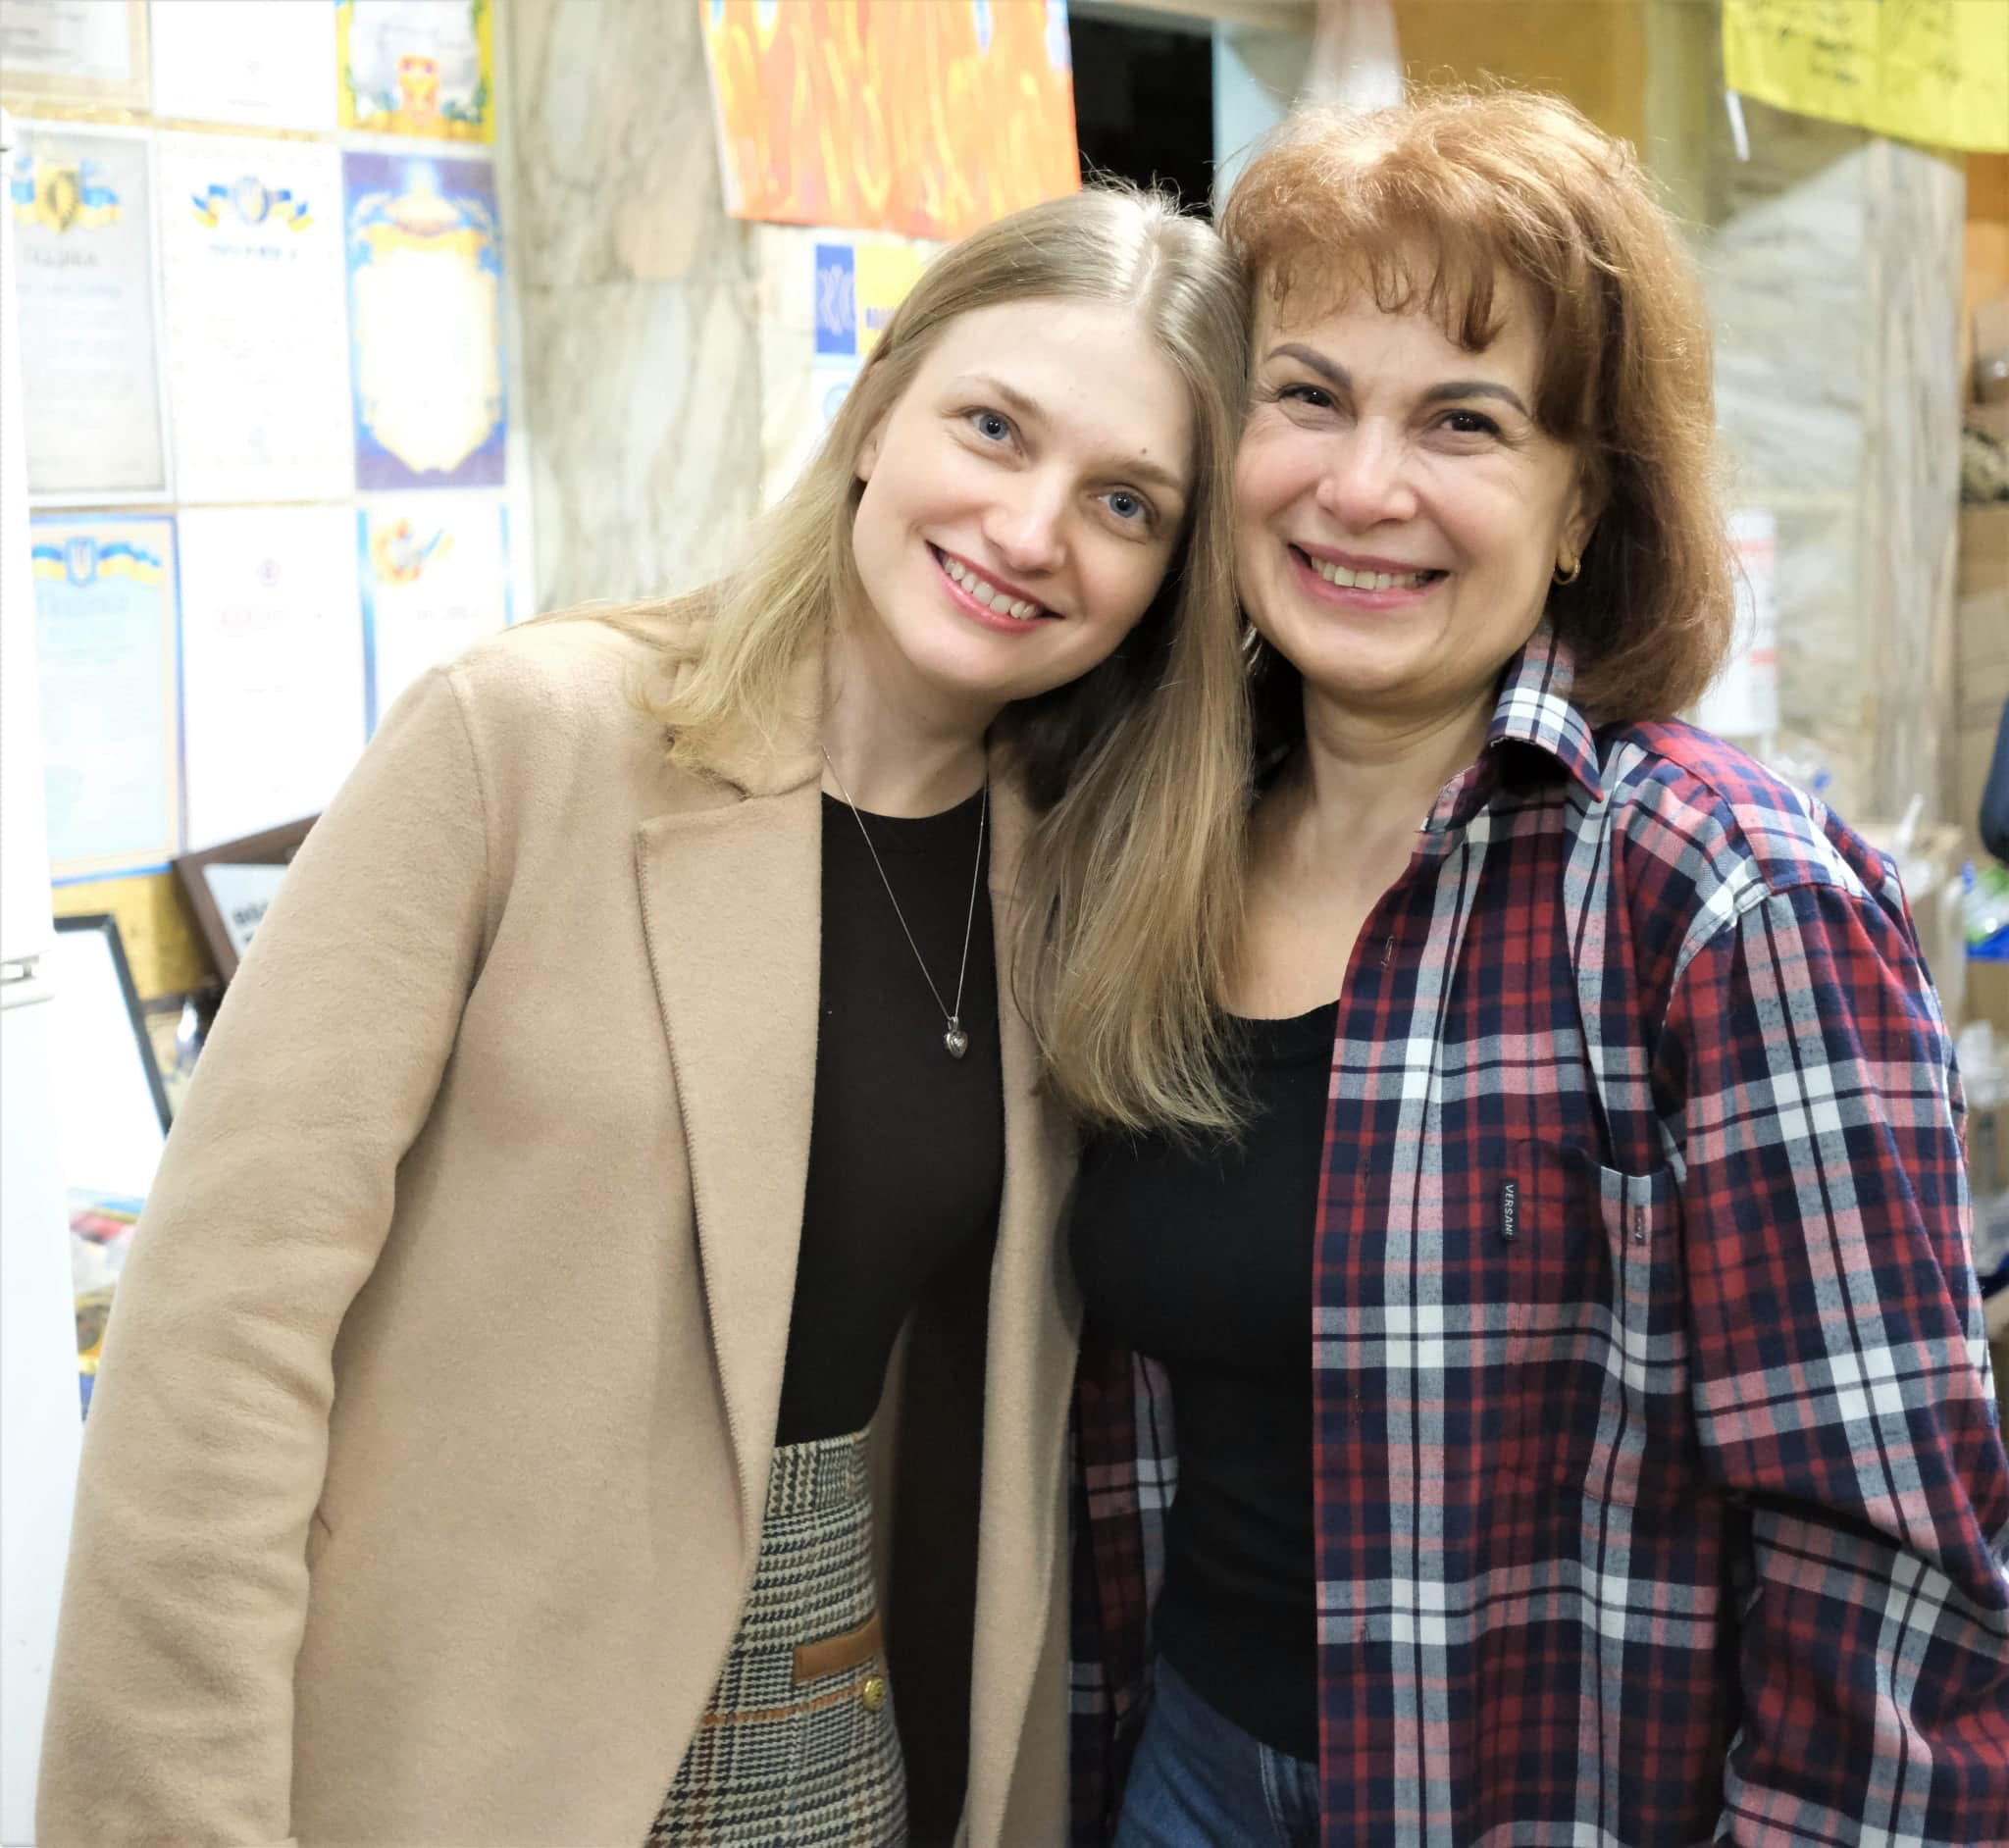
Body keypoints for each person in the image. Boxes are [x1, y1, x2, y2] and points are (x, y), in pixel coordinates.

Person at [37, 184, 1252, 1848]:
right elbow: (217, 1338)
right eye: (993, 427)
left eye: (1125, 501)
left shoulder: (1077, 876)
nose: (1033, 528)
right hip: (452, 1745)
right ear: (874, 415)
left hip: (831, 1732)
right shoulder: (523, 741)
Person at [1068, 92, 2009, 1847]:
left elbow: (1887, 1587)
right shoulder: (1151, 849)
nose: (1364, 487)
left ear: (1582, 504)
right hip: (1179, 1765)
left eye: (1465, 421)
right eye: (1308, 397)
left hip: (1539, 1800)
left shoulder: (1723, 894)